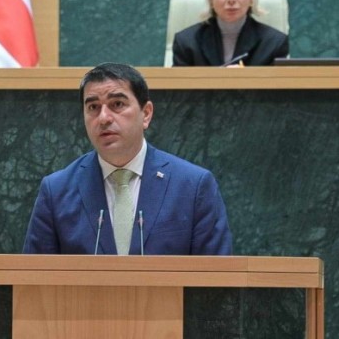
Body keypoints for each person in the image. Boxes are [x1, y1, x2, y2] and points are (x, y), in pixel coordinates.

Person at [23, 63, 232, 255]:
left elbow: (217, 278)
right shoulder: (56, 191)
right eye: (93, 107)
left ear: (146, 114)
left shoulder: (193, 186)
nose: (103, 118)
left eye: (117, 104)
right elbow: (33, 277)